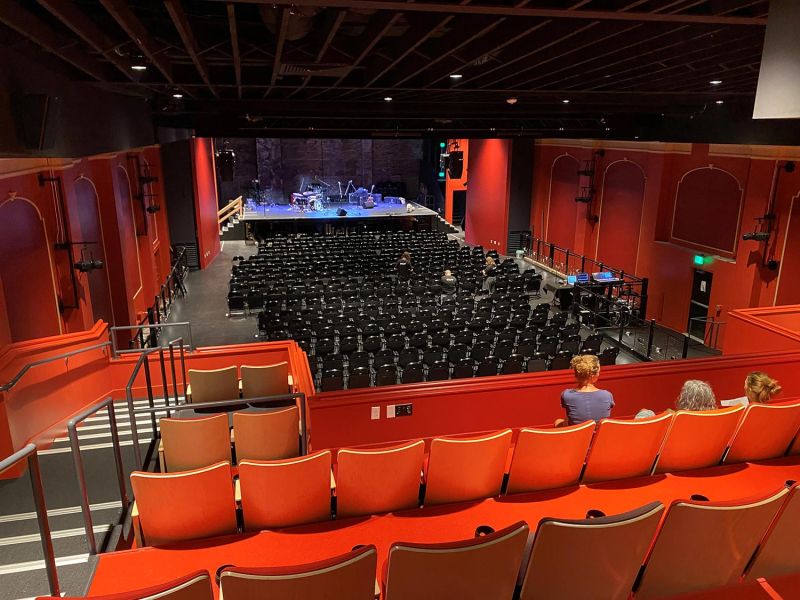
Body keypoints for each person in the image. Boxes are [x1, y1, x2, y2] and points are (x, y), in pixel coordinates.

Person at [558, 354, 614, 426]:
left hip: (577, 434)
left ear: (576, 375)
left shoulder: (567, 395)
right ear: (595, 375)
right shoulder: (607, 395)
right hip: (599, 435)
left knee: (558, 422)